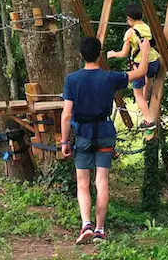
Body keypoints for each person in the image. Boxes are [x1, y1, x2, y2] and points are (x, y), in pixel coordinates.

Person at [61, 36, 151, 244]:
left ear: (81, 55)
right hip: (105, 132)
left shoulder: (72, 79)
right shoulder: (110, 77)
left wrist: (65, 142)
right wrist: (144, 51)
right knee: (101, 181)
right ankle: (100, 229)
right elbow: (140, 72)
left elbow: (66, 115)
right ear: (100, 55)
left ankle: (86, 225)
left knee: (83, 183)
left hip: (83, 133)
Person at [106, 4, 160, 131]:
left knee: (138, 94)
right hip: (154, 62)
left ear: (130, 19)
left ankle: (148, 120)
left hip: (140, 66)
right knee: (147, 79)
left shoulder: (130, 32)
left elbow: (124, 53)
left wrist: (113, 53)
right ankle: (145, 102)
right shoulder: (146, 27)